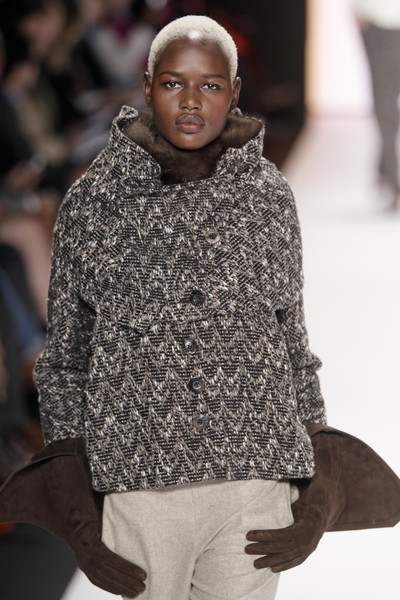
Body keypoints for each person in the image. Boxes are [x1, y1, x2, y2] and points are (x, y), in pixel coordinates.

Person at [1, 14, 399, 600]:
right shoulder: (94, 202)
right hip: (138, 485)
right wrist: (73, 500)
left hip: (254, 485)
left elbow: (291, 341)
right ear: (147, 86)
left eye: (210, 85)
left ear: (233, 92)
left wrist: (318, 482)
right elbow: (66, 360)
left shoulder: (266, 196)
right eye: (173, 83)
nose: (191, 101)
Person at [351, 0, 400, 210]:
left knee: (386, 99)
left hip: (382, 19)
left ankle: (385, 171)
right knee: (385, 100)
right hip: (379, 21)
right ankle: (392, 178)